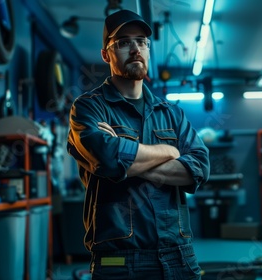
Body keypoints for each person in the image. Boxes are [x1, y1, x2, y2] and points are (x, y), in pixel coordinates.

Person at [66, 9, 210, 280]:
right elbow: (107, 159)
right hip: (118, 261)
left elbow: (200, 167)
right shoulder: (88, 108)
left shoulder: (171, 113)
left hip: (180, 255)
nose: (135, 49)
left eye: (141, 41)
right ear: (105, 54)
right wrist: (171, 152)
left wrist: (125, 156)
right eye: (123, 42)